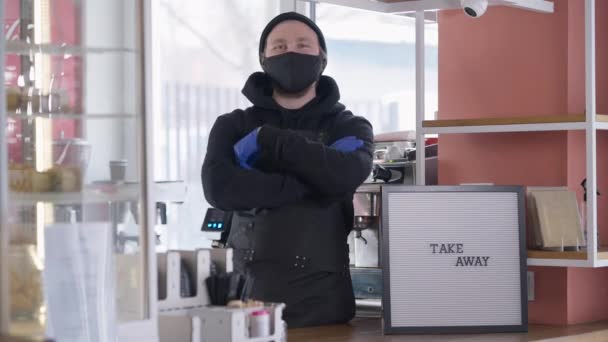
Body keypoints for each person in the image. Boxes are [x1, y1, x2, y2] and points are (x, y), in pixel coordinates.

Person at [201, 11, 373, 328]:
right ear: (263, 59)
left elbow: (345, 174)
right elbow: (219, 188)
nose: (291, 52)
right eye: (279, 46)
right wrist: (310, 182)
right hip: (247, 309)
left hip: (325, 311)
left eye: (302, 44)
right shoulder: (233, 125)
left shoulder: (348, 126)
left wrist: (272, 142)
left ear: (322, 58)